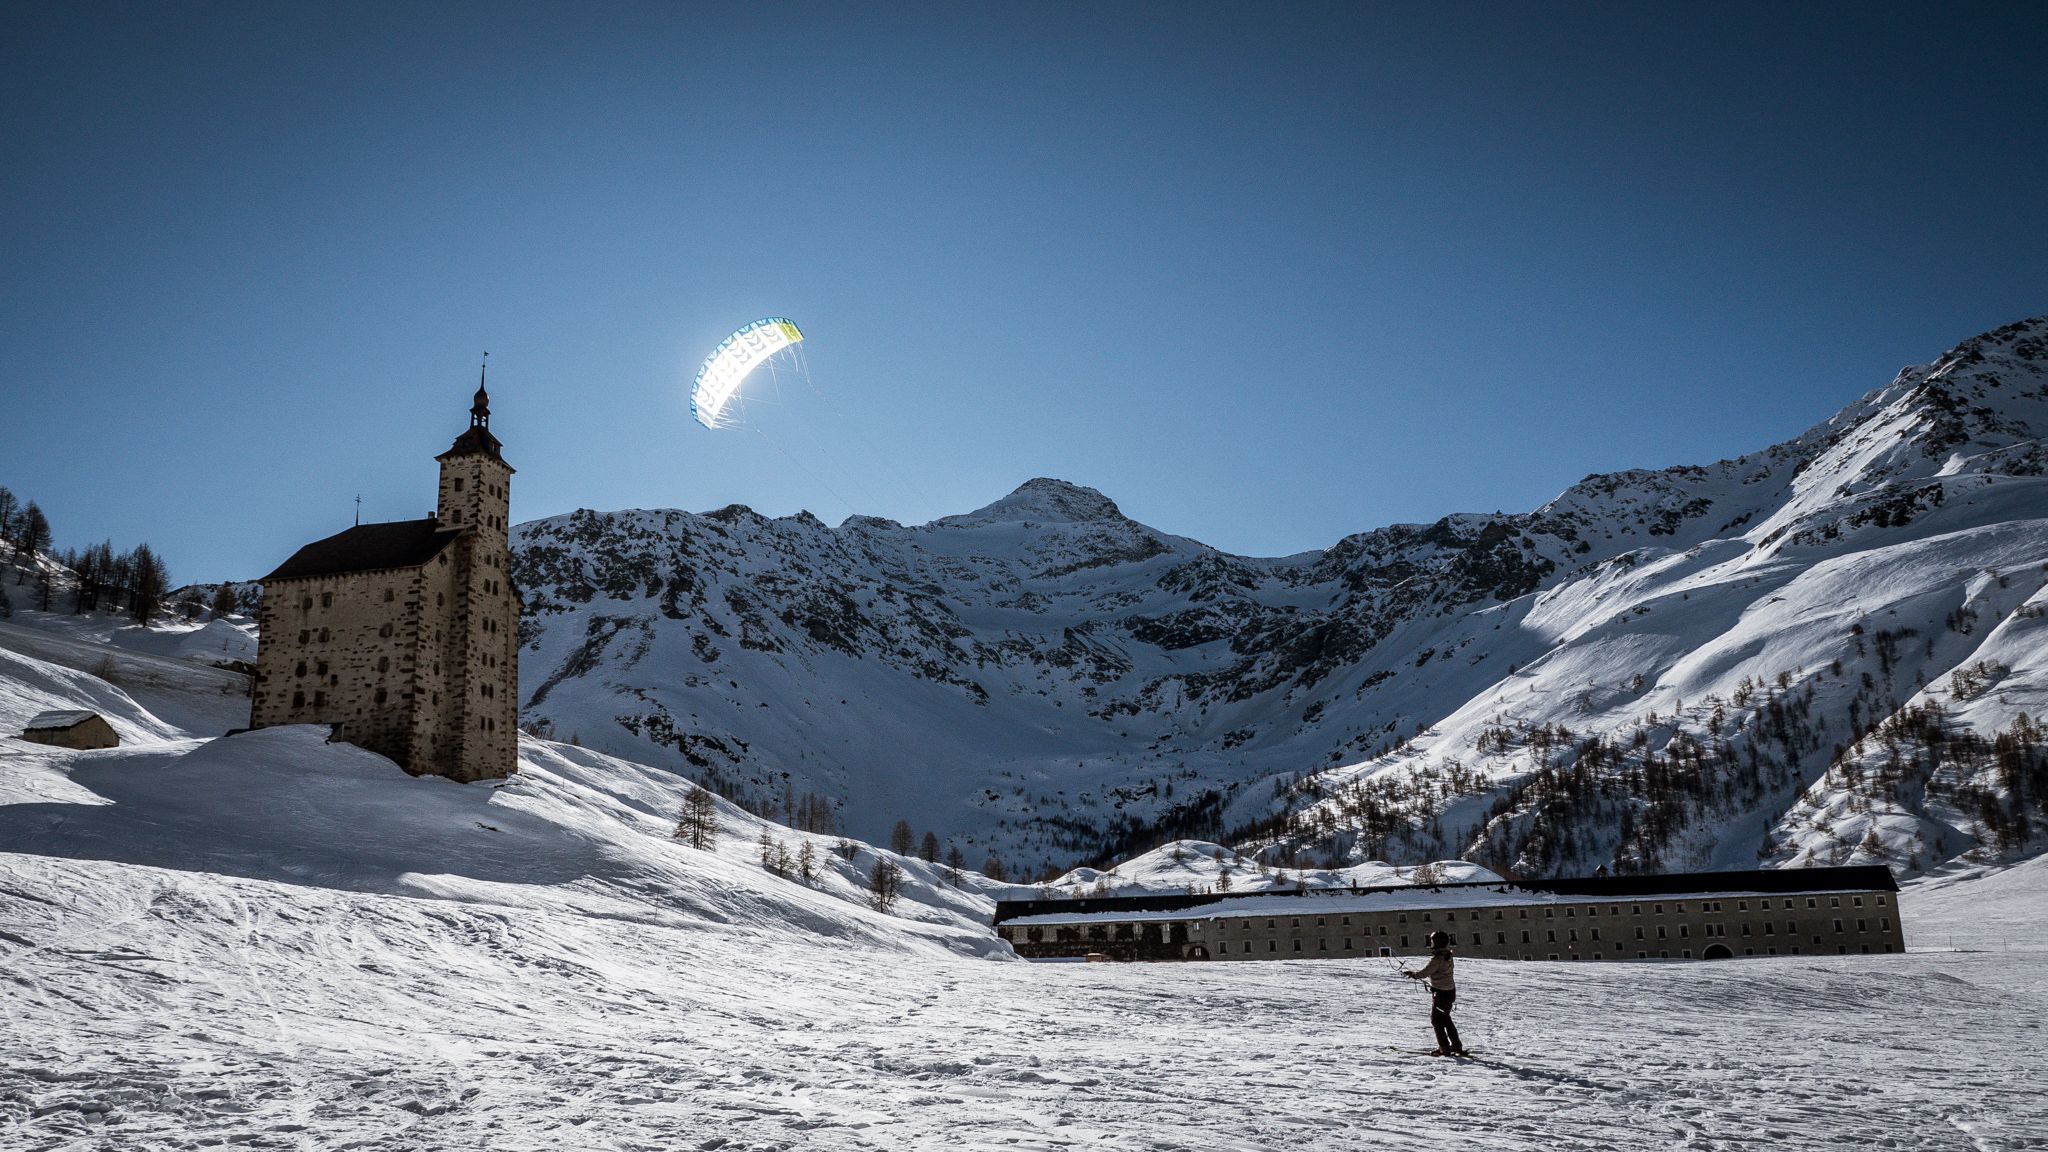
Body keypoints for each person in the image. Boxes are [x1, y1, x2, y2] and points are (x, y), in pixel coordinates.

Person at [1402, 930, 1465, 1056]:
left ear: (1436, 943)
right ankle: (1456, 1045)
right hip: (1450, 992)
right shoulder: (1449, 955)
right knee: (1446, 1018)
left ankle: (1444, 1048)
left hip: (1441, 994)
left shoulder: (1437, 959)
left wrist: (1413, 974)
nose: (1430, 943)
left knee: (1436, 1021)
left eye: (1432, 941)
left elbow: (1424, 973)